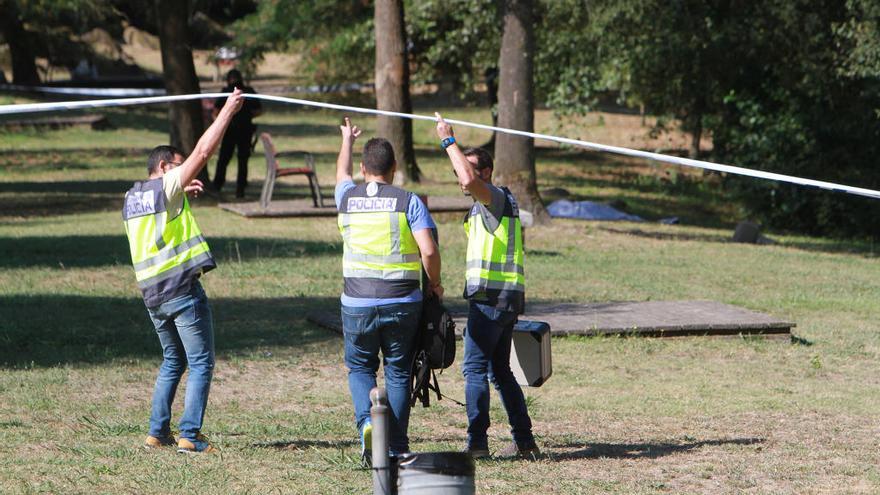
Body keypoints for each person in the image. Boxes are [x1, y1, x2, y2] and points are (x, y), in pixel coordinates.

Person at [123, 89, 245, 453]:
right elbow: (204, 151)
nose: (185, 168)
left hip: (152, 296)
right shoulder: (168, 185)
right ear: (164, 167)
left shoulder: (131, 197)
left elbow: (161, 213)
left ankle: (157, 432)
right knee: (201, 362)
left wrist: (180, 191)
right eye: (178, 165)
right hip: (180, 291)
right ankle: (190, 435)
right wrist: (227, 111)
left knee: (172, 361)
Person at [335, 117, 442, 462]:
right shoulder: (408, 201)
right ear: (394, 168)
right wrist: (435, 284)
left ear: (363, 168)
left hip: (356, 303)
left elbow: (340, 176)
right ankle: (395, 445)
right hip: (402, 301)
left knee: (360, 367)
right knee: (397, 370)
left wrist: (347, 141)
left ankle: (368, 423)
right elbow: (428, 250)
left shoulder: (346, 198)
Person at [434, 113, 539, 459]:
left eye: (469, 169)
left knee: (475, 369)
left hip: (491, 300)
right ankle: (524, 441)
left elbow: (467, 177)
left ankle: (477, 443)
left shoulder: (494, 199)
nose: (461, 177)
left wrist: (448, 140)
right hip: (503, 299)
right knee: (500, 371)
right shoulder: (487, 205)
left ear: (487, 174)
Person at [212, 69, 262, 198]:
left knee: (229, 159)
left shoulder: (231, 92)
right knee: (235, 160)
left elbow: (215, 112)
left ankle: (223, 186)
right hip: (238, 130)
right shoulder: (245, 91)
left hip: (236, 131)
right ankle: (234, 187)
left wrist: (221, 121)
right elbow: (259, 110)